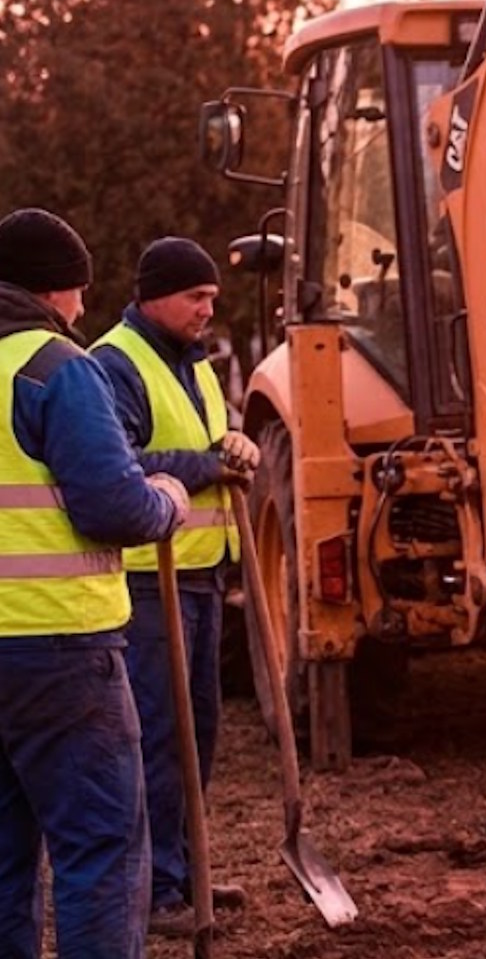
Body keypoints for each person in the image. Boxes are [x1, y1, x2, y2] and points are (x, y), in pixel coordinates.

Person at [0, 208, 190, 958]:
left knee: (4, 856)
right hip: (61, 648)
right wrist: (169, 500)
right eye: (80, 292)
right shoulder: (55, 366)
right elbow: (113, 504)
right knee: (100, 850)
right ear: (60, 289)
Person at [91, 237, 259, 937]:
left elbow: (210, 443)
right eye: (196, 296)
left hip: (201, 575)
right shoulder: (114, 364)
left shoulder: (198, 365)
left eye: (213, 297)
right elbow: (119, 462)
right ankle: (159, 889)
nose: (207, 308)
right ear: (155, 295)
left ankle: (186, 869)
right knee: (164, 735)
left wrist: (237, 446)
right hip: (151, 577)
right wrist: (204, 464)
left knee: (203, 733)